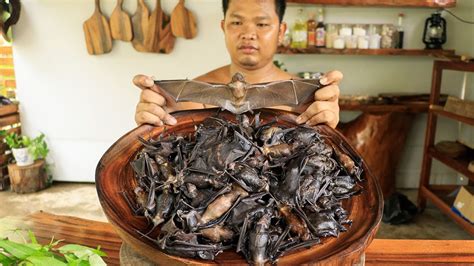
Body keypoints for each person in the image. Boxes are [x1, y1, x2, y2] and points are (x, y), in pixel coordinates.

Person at [134, 0, 342, 128]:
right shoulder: (188, 98)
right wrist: (158, 124)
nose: (249, 34)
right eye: (236, 22)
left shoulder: (305, 100)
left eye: (261, 24)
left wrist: (325, 129)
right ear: (224, 28)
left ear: (280, 31)